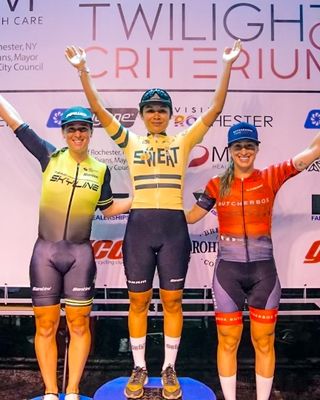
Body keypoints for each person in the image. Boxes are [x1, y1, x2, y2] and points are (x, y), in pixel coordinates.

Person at [65, 39, 242, 400]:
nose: (157, 114)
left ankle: (169, 368)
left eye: (163, 109)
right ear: (143, 114)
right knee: (138, 302)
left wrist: (226, 67)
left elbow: (215, 107)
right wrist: (83, 72)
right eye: (150, 109)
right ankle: (139, 366)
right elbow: (98, 110)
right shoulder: (130, 141)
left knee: (174, 301)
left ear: (171, 114)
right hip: (140, 229)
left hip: (174, 229)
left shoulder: (183, 140)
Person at [0, 96, 132, 400]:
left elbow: (109, 208)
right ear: (64, 132)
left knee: (79, 324)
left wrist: (141, 198)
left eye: (83, 129)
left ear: (90, 132)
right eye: (72, 129)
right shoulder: (49, 155)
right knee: (45, 326)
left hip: (80, 256)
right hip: (45, 254)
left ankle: (72, 391)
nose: (77, 134)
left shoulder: (100, 170)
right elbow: (16, 122)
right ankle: (49, 391)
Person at [185, 122, 320, 400]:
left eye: (249, 146)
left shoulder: (271, 176)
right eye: (238, 146)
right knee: (228, 341)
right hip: (227, 277)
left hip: (264, 275)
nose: (243, 151)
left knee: (264, 341)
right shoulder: (214, 185)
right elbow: (190, 217)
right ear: (229, 151)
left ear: (257, 149)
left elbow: (314, 150)